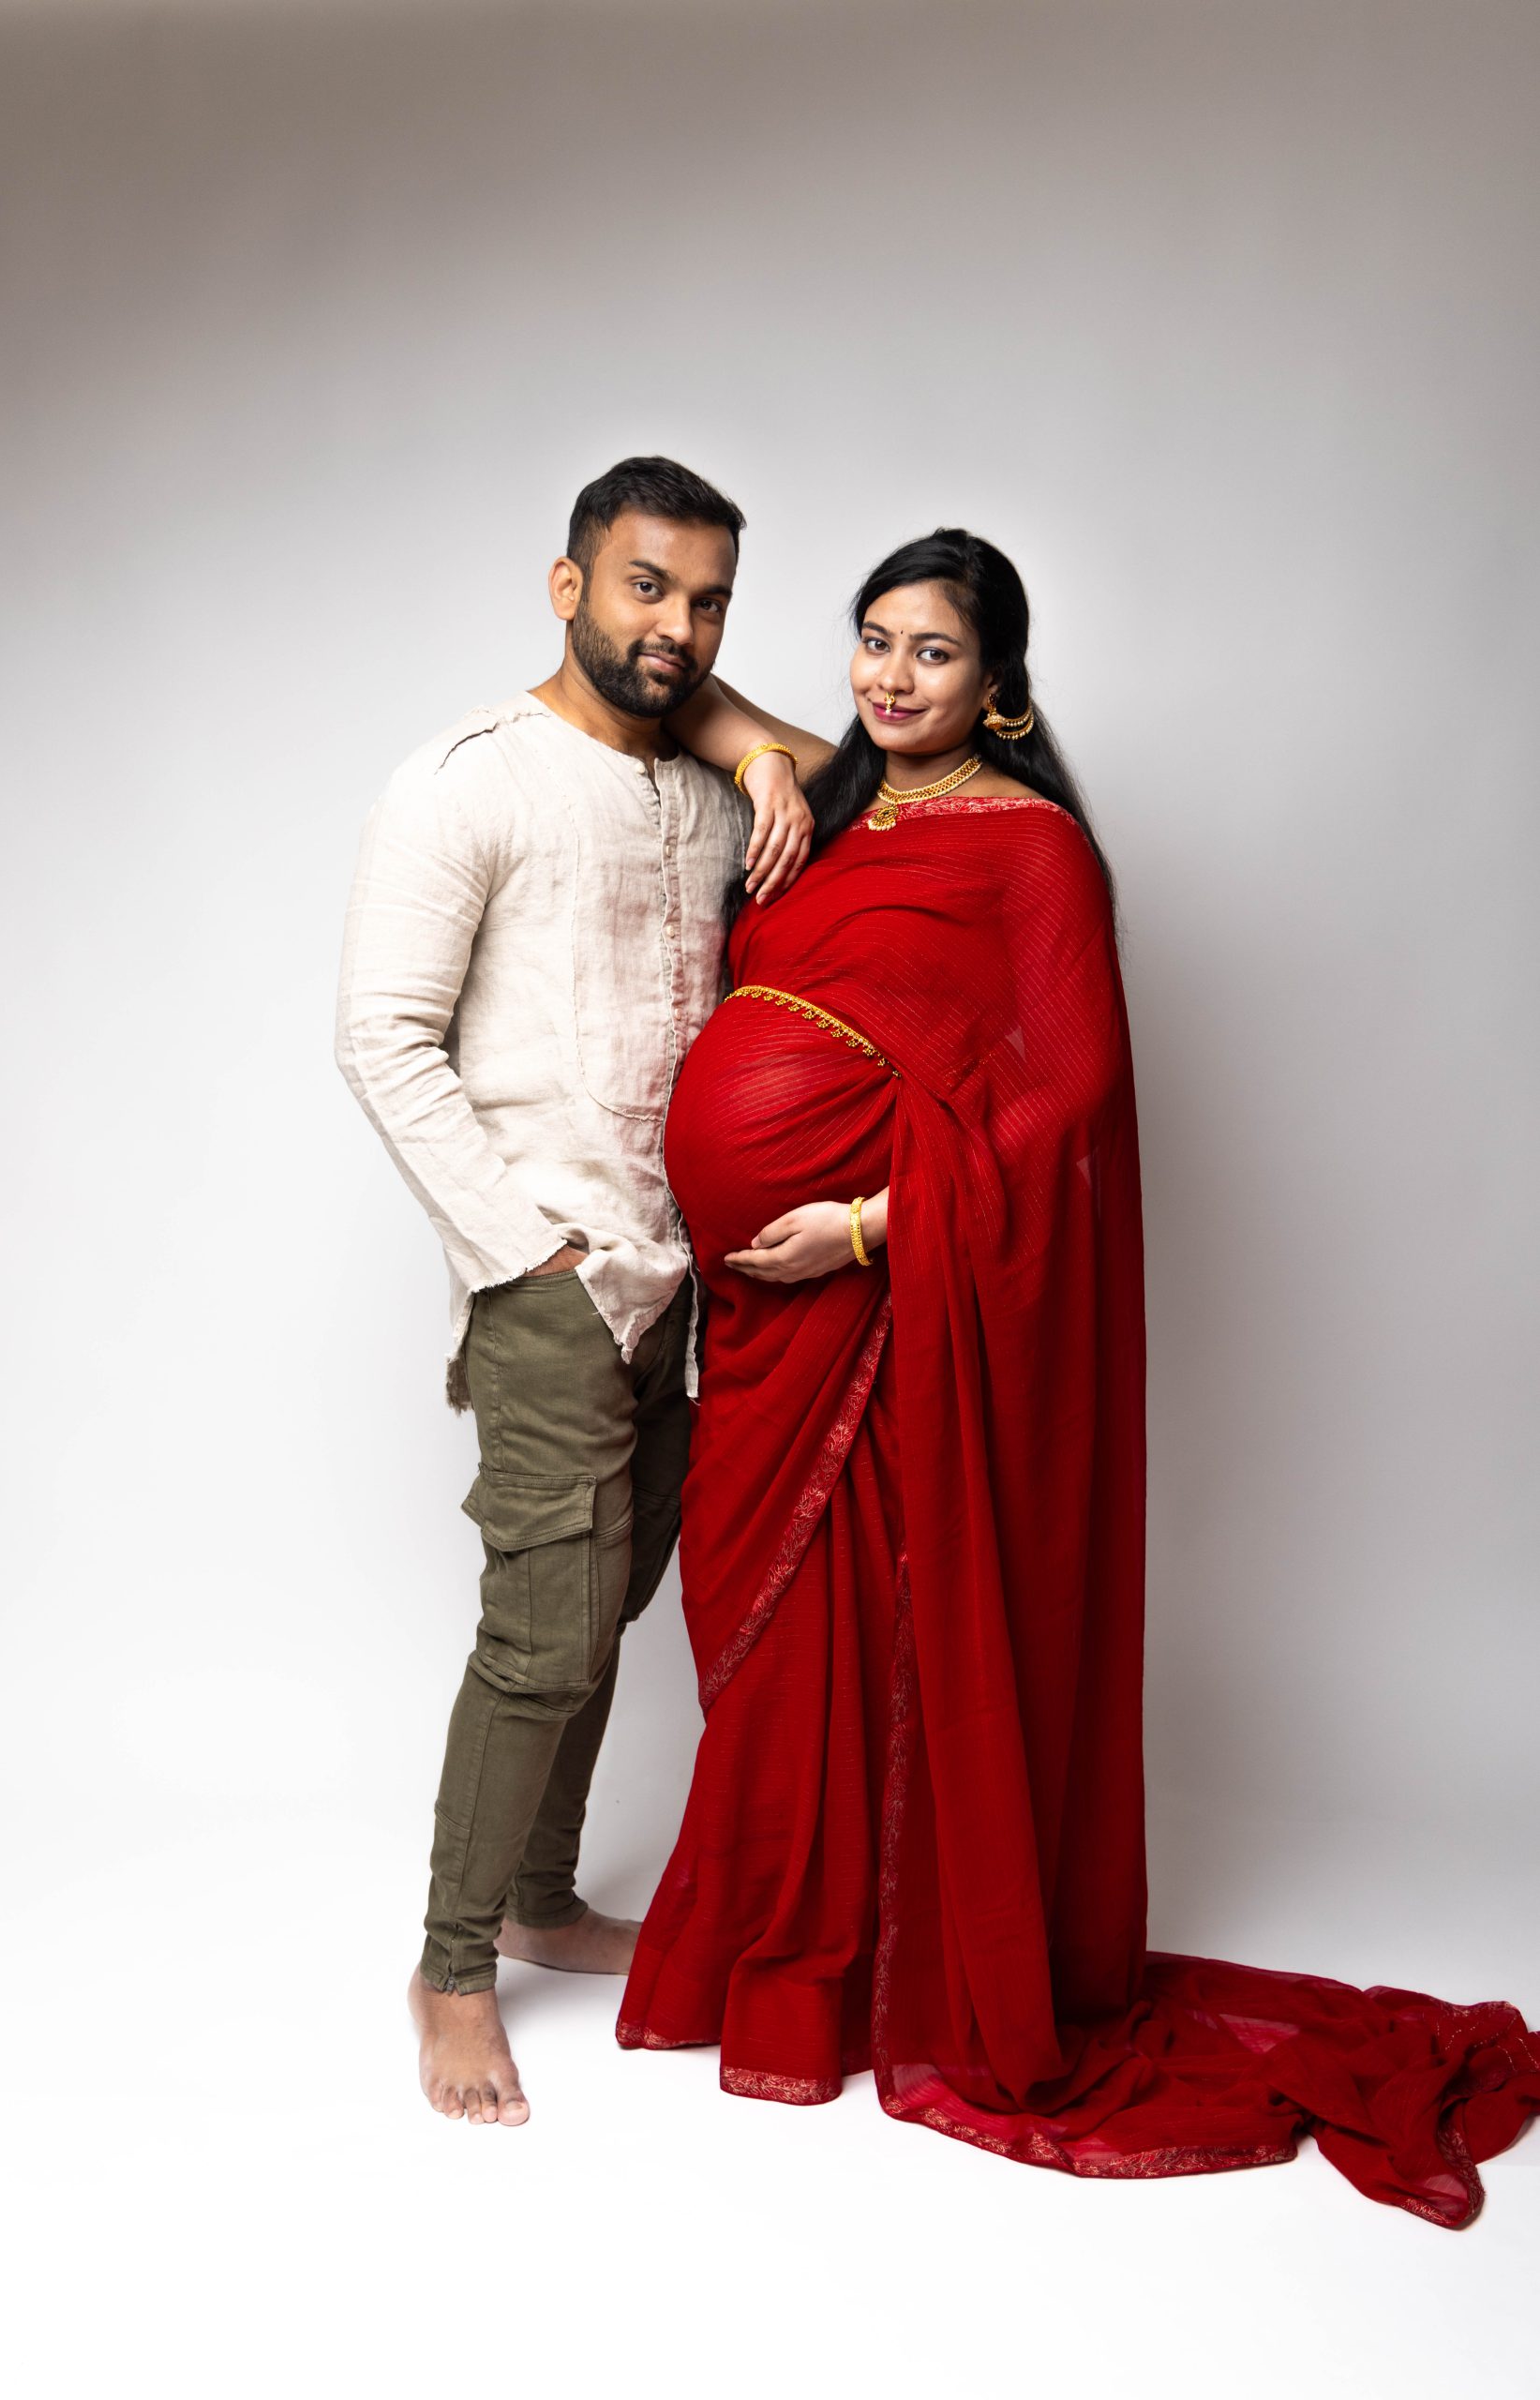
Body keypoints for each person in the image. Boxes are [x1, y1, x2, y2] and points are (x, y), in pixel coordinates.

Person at [616, 527, 1540, 2225]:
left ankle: (867, 1980)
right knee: (770, 1642)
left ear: (1001, 684)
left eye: (934, 653)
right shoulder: (830, 797)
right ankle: (786, 1951)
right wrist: (763, 758)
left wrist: (872, 1226)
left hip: (875, 1301)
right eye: (873, 640)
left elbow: (1068, 1107)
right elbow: (676, 693)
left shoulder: (1034, 850)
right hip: (760, 1323)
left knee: (874, 1632)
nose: (892, 676)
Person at [336, 456, 812, 2127]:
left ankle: (543, 1896)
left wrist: (753, 745)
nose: (676, 626)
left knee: (606, 1612)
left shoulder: (717, 792)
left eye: (708, 602)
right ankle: (452, 1968)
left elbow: (862, 777)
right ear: (568, 586)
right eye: (644, 586)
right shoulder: (466, 780)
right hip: (544, 1272)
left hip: (687, 1281)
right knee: (543, 1635)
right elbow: (381, 1037)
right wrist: (522, 1249)